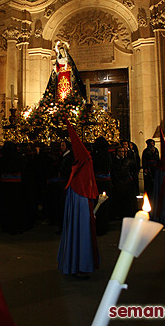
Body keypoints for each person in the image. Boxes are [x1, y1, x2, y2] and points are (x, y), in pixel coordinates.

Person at [58, 119, 99, 278]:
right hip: (82, 203)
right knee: (82, 232)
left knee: (76, 231)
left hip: (80, 201)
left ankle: (74, 262)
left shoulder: (77, 173)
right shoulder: (81, 172)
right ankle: (82, 263)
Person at [92, 136, 112, 236]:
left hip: (99, 184)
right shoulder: (108, 154)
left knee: (99, 205)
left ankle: (99, 227)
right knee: (105, 206)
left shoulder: (97, 155)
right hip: (106, 183)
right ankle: (104, 226)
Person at [111, 145, 136, 219]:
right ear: (116, 153)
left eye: (123, 151)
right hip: (117, 183)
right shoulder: (113, 161)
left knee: (127, 200)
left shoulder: (128, 160)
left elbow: (133, 170)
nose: (121, 153)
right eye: (120, 151)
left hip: (127, 182)